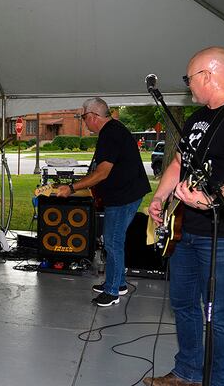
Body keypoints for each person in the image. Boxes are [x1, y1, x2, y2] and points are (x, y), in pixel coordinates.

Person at [144, 47, 224, 386]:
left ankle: (214, 382)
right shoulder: (196, 118)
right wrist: (160, 196)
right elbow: (176, 164)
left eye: (190, 78)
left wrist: (213, 198)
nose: (188, 85)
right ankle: (186, 373)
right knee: (184, 303)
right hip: (186, 229)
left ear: (209, 75)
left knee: (218, 315)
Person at [54, 98, 151, 307]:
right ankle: (119, 283)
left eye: (83, 117)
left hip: (124, 196)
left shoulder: (111, 133)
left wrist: (71, 188)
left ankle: (112, 291)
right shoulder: (112, 131)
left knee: (112, 241)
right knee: (115, 240)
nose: (84, 121)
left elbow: (102, 173)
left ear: (93, 116)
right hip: (125, 193)